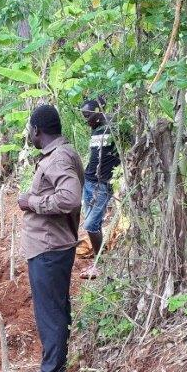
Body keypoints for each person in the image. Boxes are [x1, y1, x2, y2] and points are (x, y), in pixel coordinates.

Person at [17, 103, 84, 372]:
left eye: (29, 130)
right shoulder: (61, 154)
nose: (28, 135)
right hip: (53, 244)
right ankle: (53, 366)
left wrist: (32, 202)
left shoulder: (57, 159)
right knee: (56, 308)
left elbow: (70, 198)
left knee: (50, 313)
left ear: (37, 131)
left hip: (49, 247)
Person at [78, 96, 121, 279]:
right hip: (89, 181)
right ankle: (99, 260)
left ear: (98, 111)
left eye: (88, 116)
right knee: (91, 223)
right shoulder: (96, 130)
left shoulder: (116, 127)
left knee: (91, 224)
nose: (86, 121)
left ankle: (99, 265)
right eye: (84, 117)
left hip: (103, 184)